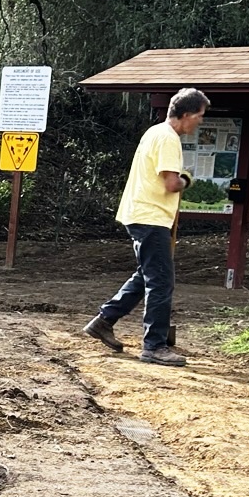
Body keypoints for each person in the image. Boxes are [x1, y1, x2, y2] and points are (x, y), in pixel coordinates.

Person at [84, 87, 208, 367]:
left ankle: (104, 320)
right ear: (185, 114)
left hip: (142, 214)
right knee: (161, 282)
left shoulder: (155, 132)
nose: (200, 121)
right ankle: (154, 346)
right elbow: (171, 183)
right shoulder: (168, 139)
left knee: (147, 275)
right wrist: (188, 179)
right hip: (150, 217)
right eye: (199, 116)